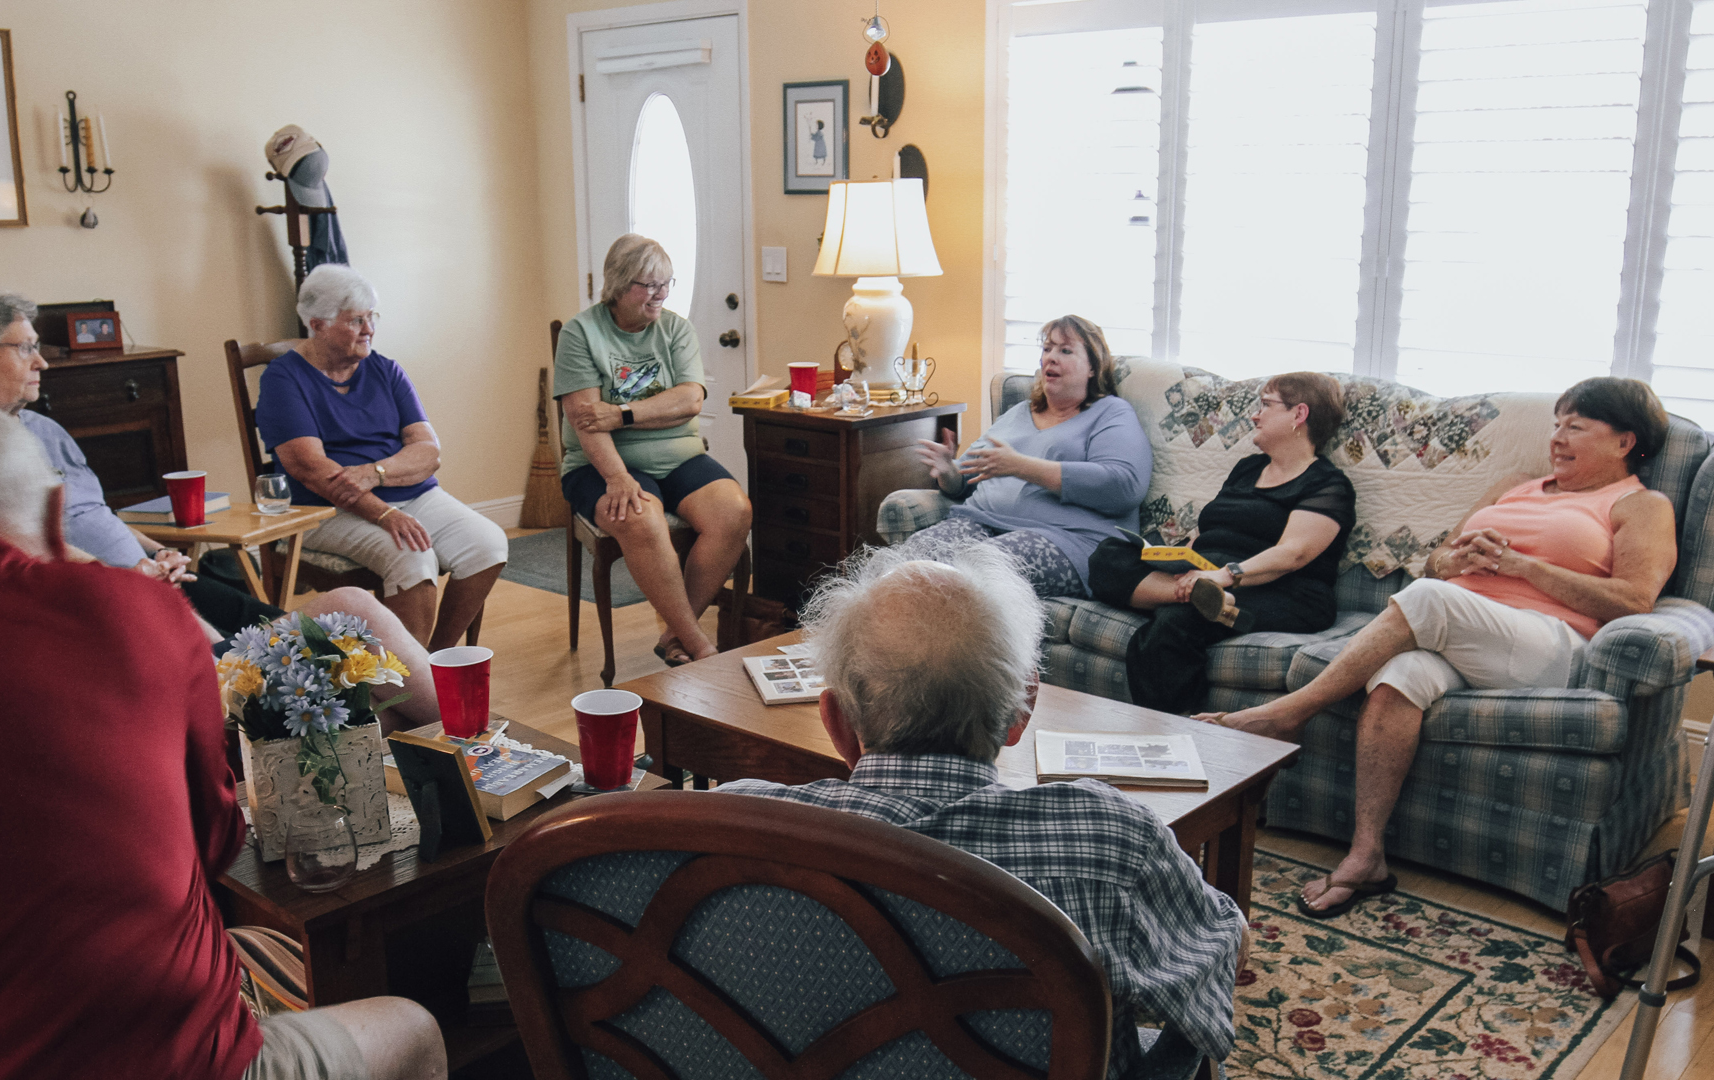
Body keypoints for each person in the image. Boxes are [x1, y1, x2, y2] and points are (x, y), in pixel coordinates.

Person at [0, 399, 446, 1080]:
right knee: (413, 1029)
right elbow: (216, 845)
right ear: (55, 518)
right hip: (157, 1060)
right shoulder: (136, 612)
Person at [716, 544, 1246, 1080]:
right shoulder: (1112, 838)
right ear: (1021, 710)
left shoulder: (727, 825)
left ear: (835, 722)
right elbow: (1222, 956)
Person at [1202, 377, 1676, 919]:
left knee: (1429, 599)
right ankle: (1366, 856)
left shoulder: (1640, 504)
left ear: (1624, 442)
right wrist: (1453, 562)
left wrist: (1522, 567)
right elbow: (1436, 561)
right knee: (1398, 677)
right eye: (1556, 424)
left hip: (1548, 643)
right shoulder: (1515, 485)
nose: (1557, 437)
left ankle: (1287, 714)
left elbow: (1634, 599)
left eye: (1577, 427)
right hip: (1461, 630)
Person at [0, 289, 445, 733]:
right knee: (351, 615)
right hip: (118, 615)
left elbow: (96, 516)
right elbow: (10, 558)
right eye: (25, 348)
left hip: (160, 584)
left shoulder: (42, 429)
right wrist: (128, 579)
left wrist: (159, 553)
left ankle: (445, 752)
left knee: (368, 682)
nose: (41, 362)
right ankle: (465, 739)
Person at [258, 265, 507, 649]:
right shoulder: (283, 379)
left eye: (371, 317)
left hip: (410, 495)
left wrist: (375, 473)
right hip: (324, 510)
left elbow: (428, 452)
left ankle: (433, 661)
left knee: (487, 544)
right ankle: (403, 677)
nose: (369, 329)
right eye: (355, 320)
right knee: (413, 557)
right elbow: (311, 469)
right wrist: (385, 514)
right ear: (318, 324)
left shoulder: (386, 370)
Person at [1082, 372, 1355, 716]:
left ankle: (1178, 732)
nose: (1255, 415)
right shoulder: (1247, 469)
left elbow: (1293, 554)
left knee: (1172, 625)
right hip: (1209, 574)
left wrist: (1225, 576)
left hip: (1283, 590)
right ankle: (1199, 595)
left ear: (1299, 414)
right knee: (1108, 556)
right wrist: (1178, 560)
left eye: (1266, 405)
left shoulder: (1328, 484)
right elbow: (1210, 530)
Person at [555, 233, 753, 666]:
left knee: (734, 511)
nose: (660, 294)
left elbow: (690, 401)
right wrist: (617, 476)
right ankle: (699, 646)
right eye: (649, 285)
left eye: (666, 283)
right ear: (618, 285)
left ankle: (675, 636)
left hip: (679, 455)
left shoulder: (676, 329)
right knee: (641, 517)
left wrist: (621, 414)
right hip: (600, 464)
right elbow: (587, 423)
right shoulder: (581, 333)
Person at [904, 315, 1151, 598]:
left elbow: (1125, 486)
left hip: (1068, 539)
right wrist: (948, 469)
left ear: (1093, 367)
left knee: (977, 569)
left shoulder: (1110, 413)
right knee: (908, 561)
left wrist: (1021, 466)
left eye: (1065, 350)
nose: (1051, 358)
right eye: (1047, 349)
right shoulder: (1019, 412)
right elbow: (965, 481)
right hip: (981, 521)